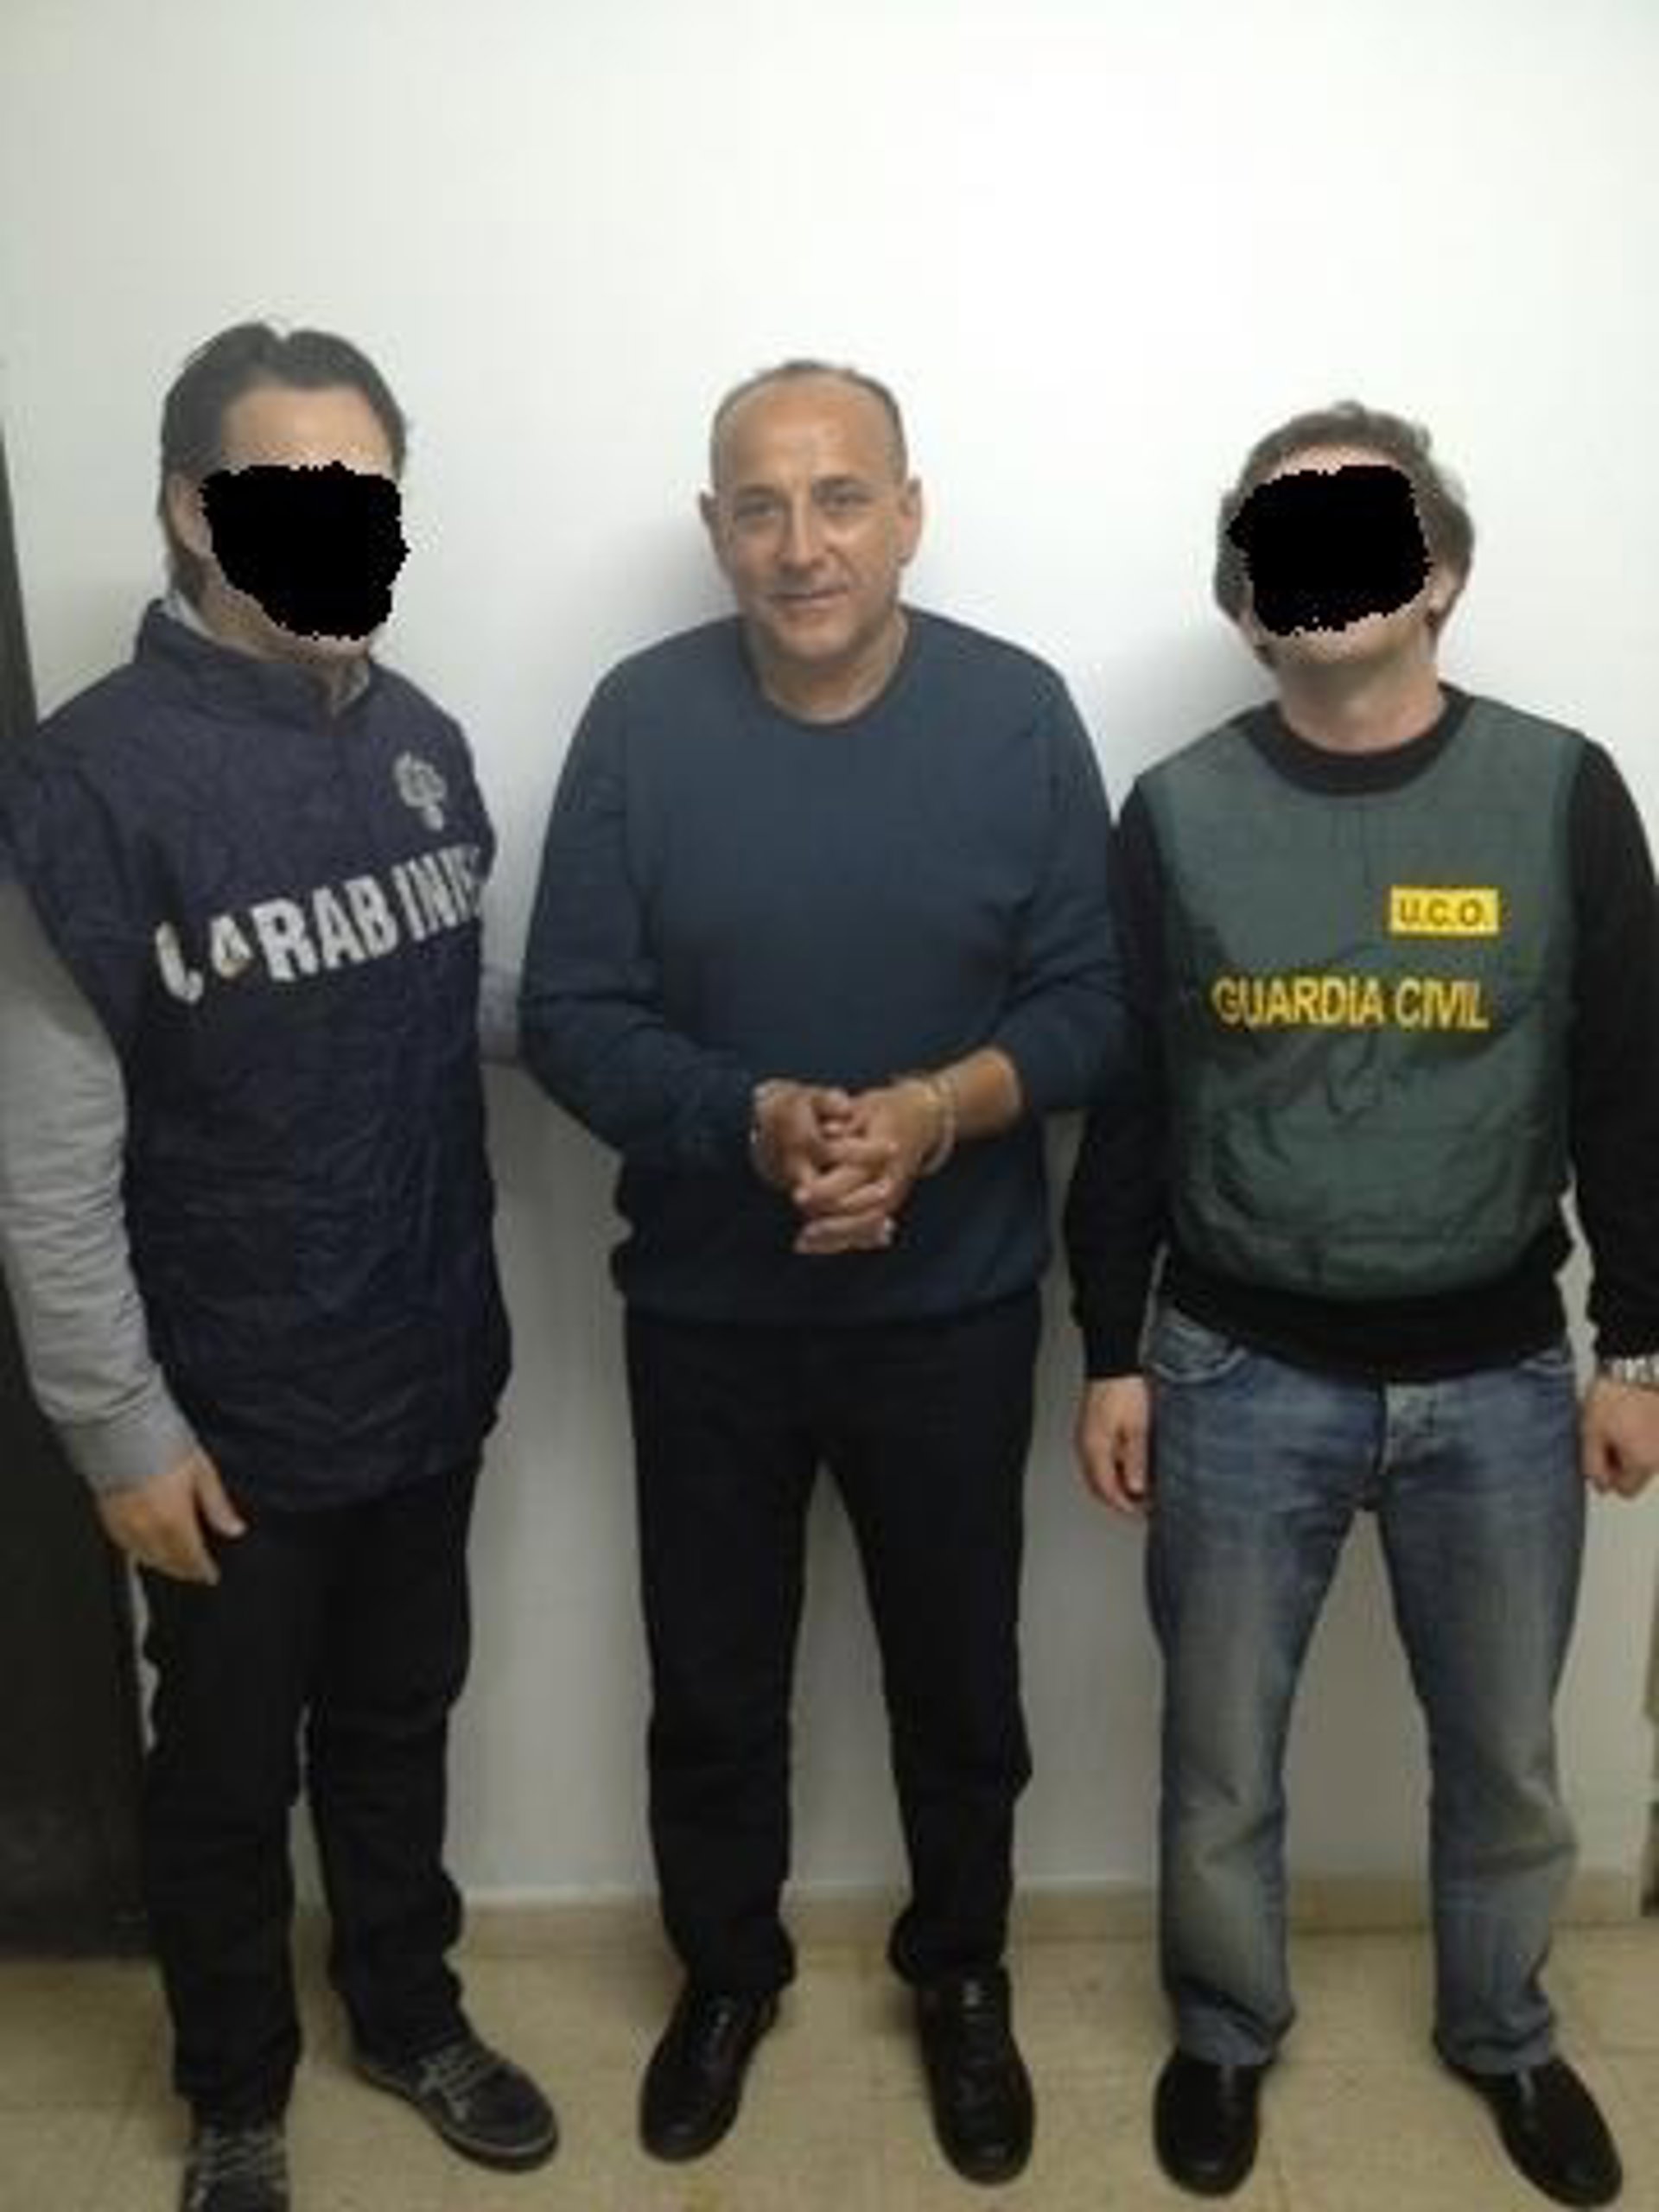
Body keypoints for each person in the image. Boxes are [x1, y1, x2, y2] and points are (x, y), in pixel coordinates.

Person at [519, 359, 1120, 2183]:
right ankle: (726, 1976)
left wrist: (933, 1114)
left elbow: (1095, 1004)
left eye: (841, 497)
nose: (804, 545)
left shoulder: (1019, 714)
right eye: (763, 507)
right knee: (713, 1686)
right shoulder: (639, 721)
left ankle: (961, 1975)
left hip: (953, 1315)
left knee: (962, 1686)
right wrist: (754, 1117)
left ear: (909, 512)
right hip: (712, 1316)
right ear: (715, 531)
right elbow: (570, 1012)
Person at [1065, 400, 1659, 2207]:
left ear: (1444, 573)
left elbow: (1631, 1084)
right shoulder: (1177, 814)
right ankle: (1224, 2032)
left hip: (1500, 1370)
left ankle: (1508, 2031)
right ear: (1245, 600)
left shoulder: (1562, 789)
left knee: (1508, 1759)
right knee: (1219, 1759)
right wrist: (1108, 1349)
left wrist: (1638, 1341)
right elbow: (1133, 1102)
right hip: (1236, 1364)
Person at [0, 322, 555, 2212]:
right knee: (228, 1779)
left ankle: (408, 2012)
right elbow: (43, 1159)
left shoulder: (416, 740)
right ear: (190, 507)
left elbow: (442, 984)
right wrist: (116, 1427)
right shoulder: (86, 786)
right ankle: (235, 2088)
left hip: (423, 1362)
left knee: (398, 1731)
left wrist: (654, 1027)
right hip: (220, 1418)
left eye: (366, 493)